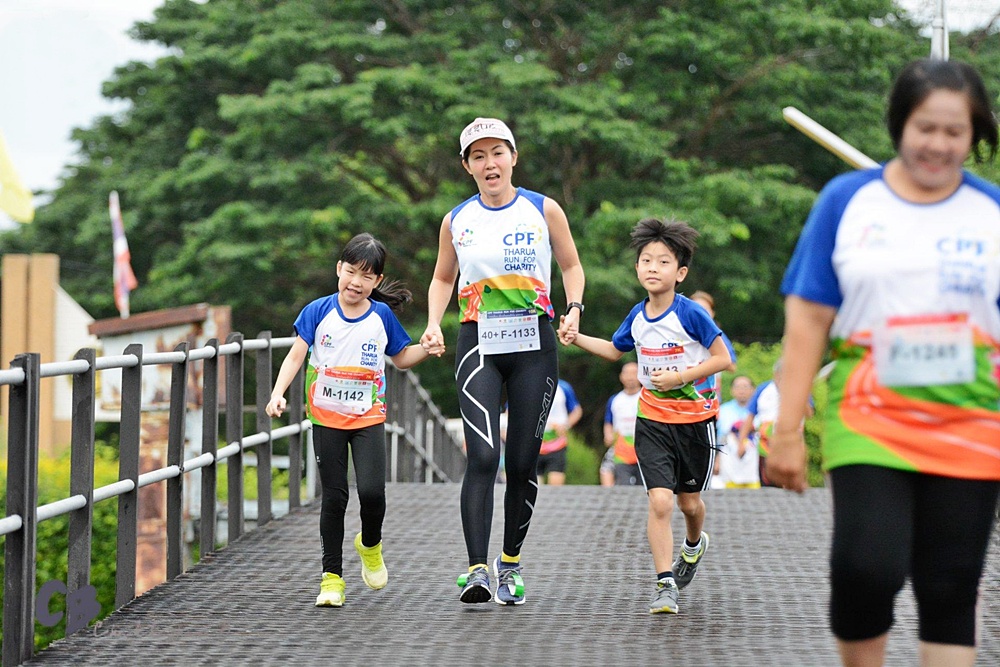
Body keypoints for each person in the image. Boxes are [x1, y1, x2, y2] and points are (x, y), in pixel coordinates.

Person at [768, 59, 1000, 667]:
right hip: (870, 416)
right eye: (927, 127)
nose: (939, 144)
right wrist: (786, 432)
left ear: (975, 135)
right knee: (865, 568)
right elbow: (806, 324)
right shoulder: (847, 201)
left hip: (972, 421)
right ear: (900, 124)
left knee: (951, 583)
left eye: (955, 131)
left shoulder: (990, 212)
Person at [420, 117, 585, 605]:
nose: (489, 163)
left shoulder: (543, 209)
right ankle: (476, 570)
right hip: (478, 343)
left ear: (513, 157)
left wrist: (573, 308)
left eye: (497, 152)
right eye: (478, 156)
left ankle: (509, 564)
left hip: (535, 343)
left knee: (521, 462)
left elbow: (571, 266)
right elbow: (442, 279)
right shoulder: (456, 219)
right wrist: (434, 321)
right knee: (484, 456)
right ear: (467, 166)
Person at [567, 217, 732, 615]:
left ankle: (693, 546)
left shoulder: (691, 313)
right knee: (660, 501)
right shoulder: (638, 316)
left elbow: (725, 358)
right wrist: (576, 337)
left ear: (681, 272)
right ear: (637, 268)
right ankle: (665, 583)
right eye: (646, 261)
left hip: (695, 423)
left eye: (662, 262)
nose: (653, 268)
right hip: (653, 421)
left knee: (689, 505)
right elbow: (614, 349)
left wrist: (680, 375)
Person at [265, 233, 434, 608]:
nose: (356, 282)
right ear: (339, 269)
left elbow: (402, 358)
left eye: (366, 276)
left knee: (373, 493)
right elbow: (295, 356)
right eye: (351, 271)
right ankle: (332, 578)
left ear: (376, 281)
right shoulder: (317, 311)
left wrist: (428, 347)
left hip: (367, 417)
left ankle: (370, 544)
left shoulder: (381, 316)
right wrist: (278, 393)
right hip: (326, 418)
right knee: (335, 498)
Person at [603, 361, 642, 486]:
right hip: (621, 450)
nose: (630, 377)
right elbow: (608, 422)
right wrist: (608, 435)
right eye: (627, 373)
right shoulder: (615, 399)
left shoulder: (646, 398)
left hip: (643, 450)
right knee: (611, 473)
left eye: (634, 373)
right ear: (621, 376)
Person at [712, 375, 755, 488]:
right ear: (732, 390)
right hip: (729, 464)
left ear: (752, 390)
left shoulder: (759, 411)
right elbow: (719, 437)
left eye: (745, 387)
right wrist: (716, 459)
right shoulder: (723, 410)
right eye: (738, 387)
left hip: (753, 466)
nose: (742, 390)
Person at [537, 379, 583, 485]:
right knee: (533, 487)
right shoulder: (529, 383)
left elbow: (577, 411)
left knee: (555, 486)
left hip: (556, 443)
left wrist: (566, 425)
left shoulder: (563, 387)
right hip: (534, 443)